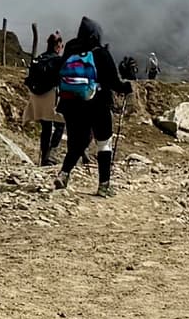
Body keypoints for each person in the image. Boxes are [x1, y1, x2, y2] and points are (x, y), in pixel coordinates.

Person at [53, 16, 121, 194]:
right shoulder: (100, 52)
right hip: (97, 103)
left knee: (77, 142)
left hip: (70, 104)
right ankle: (104, 185)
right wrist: (126, 88)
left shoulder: (70, 49)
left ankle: (64, 174)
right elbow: (114, 81)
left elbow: (59, 71)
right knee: (104, 143)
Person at [26, 29, 66, 172]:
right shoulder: (58, 60)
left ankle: (43, 157)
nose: (62, 49)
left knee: (46, 127)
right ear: (58, 46)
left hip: (37, 96)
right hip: (51, 96)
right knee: (60, 124)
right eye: (61, 46)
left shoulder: (39, 58)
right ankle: (51, 154)